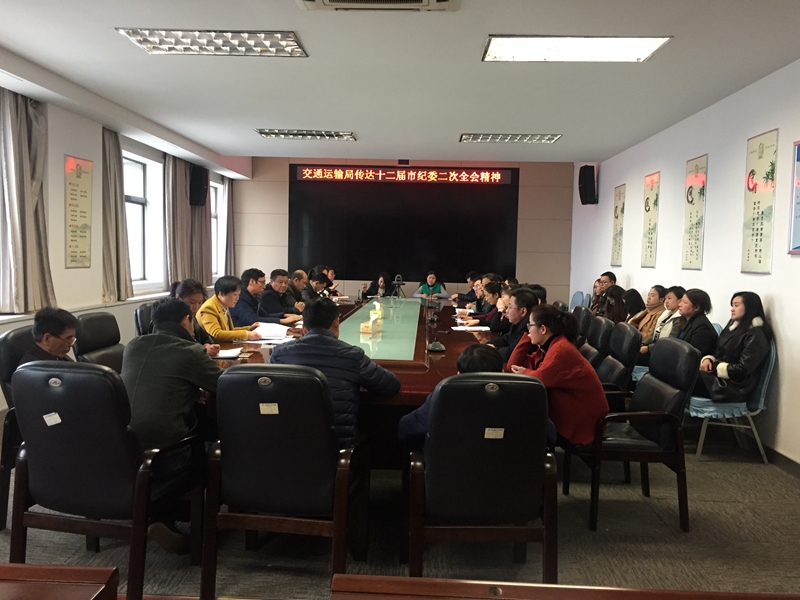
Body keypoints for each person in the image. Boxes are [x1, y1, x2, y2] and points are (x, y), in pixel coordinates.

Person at [121, 297, 224, 553]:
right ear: (186, 321)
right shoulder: (190, 351)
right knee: (216, 449)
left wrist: (189, 390)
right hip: (168, 455)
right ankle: (200, 524)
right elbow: (225, 385)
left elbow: (155, 384)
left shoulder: (133, 346)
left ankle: (159, 516)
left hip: (122, 448)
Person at [269, 299, 401, 447]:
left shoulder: (279, 354)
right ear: (337, 323)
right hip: (336, 445)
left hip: (287, 443)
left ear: (304, 327)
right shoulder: (352, 355)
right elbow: (391, 386)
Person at [508, 304, 608, 447]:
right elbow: (512, 366)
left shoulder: (560, 350)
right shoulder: (549, 346)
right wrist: (526, 339)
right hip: (569, 415)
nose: (528, 330)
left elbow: (540, 379)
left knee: (522, 423)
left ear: (543, 329)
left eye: (530, 326)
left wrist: (524, 371)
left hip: (582, 424)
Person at [397, 344, 504, 443]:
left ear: (459, 375)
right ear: (502, 372)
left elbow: (406, 429)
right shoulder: (513, 400)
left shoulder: (445, 396)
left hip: (449, 457)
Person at [696, 291, 772, 403]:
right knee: (683, 374)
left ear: (749, 308)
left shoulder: (756, 335)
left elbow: (742, 369)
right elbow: (718, 352)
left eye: (736, 305)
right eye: (732, 305)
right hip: (721, 379)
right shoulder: (733, 328)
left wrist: (714, 368)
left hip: (735, 387)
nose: (732, 309)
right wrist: (709, 360)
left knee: (685, 378)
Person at [197, 276, 262, 342]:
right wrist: (246, 334)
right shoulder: (209, 308)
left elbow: (228, 330)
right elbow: (216, 333)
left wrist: (248, 329)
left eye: (238, 295)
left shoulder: (223, 304)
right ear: (221, 294)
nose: (237, 298)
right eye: (235, 295)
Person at [231, 268, 302, 327]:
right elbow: (252, 320)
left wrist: (285, 315)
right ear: (252, 282)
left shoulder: (254, 296)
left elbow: (265, 315)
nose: (264, 287)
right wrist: (282, 321)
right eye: (262, 283)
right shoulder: (240, 298)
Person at [169, 278, 220, 356]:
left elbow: (207, 338)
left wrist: (207, 345)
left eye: (200, 302)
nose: (196, 307)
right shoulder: (170, 320)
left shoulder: (192, 317)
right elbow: (177, 349)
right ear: (178, 298)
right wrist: (201, 349)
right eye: (192, 302)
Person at [487, 288, 539, 362]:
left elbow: (511, 353)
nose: (507, 310)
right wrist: (488, 345)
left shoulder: (528, 328)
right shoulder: (517, 323)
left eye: (510, 307)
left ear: (523, 311)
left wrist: (492, 349)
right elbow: (506, 338)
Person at [640, 286, 685, 362]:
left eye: (669, 298)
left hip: (662, 354)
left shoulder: (679, 319)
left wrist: (648, 348)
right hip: (654, 348)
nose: (666, 301)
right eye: (666, 298)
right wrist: (643, 344)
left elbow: (670, 341)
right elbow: (654, 333)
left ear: (679, 301)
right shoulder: (666, 314)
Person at [669, 288, 718, 357]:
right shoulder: (683, 320)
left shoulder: (702, 328)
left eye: (685, 302)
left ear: (696, 307)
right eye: (681, 301)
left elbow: (693, 355)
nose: (679, 305)